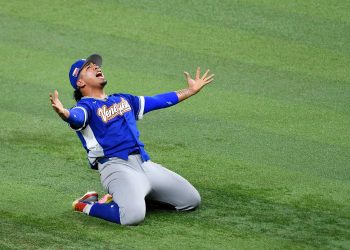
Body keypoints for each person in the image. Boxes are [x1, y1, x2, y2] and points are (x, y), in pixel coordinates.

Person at [49, 54, 214, 225]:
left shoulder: (123, 99)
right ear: (80, 83)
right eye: (89, 68)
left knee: (191, 200)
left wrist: (190, 91)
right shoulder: (85, 107)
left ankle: (130, 196)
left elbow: (156, 100)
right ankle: (85, 204)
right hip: (116, 167)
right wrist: (65, 114)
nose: (97, 68)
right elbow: (76, 117)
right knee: (132, 216)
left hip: (144, 164)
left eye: (96, 65)